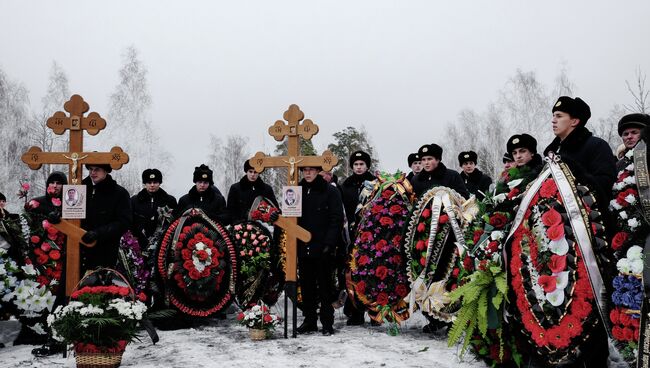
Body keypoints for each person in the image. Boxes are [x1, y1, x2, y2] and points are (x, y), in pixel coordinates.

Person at [533, 96, 615, 367]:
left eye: (559, 115)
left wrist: (574, 172)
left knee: (588, 299)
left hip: (589, 242)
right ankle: (561, 351)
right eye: (553, 115)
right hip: (555, 241)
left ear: (576, 121)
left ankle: (594, 358)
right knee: (559, 297)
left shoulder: (596, 146)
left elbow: (605, 187)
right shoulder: (551, 151)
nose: (553, 119)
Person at [296, 165, 343, 336]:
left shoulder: (330, 191)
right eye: (304, 170)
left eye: (311, 169)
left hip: (323, 247)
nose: (307, 173)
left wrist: (329, 244)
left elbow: (336, 218)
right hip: (302, 246)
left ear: (318, 171)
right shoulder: (296, 191)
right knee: (307, 287)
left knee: (325, 287)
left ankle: (327, 323)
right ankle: (309, 321)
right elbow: (290, 215)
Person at [28, 172, 67, 357]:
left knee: (59, 298)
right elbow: (31, 229)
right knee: (45, 297)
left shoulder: (72, 204)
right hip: (43, 259)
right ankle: (43, 334)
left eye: (59, 183)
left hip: (65, 258)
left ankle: (57, 337)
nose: (55, 185)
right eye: (52, 182)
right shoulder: (38, 203)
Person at [340, 150, 376, 325]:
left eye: (362, 164)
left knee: (373, 273)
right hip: (352, 236)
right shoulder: (346, 185)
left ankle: (375, 312)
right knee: (353, 273)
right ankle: (356, 311)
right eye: (356, 164)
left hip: (372, 236)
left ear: (367, 165)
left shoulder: (376, 184)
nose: (359, 167)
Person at [78, 164, 132, 274]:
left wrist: (98, 233)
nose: (93, 173)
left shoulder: (119, 193)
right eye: (91, 169)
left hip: (104, 251)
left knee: (98, 289)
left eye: (97, 169)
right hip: (78, 251)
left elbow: (124, 222)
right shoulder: (78, 189)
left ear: (106, 171)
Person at [131, 168, 177, 242]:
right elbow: (130, 221)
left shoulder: (170, 200)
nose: (152, 185)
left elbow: (174, 222)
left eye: (155, 182)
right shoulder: (134, 200)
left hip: (162, 242)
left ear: (159, 183)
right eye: (149, 182)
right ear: (145, 183)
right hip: (139, 241)